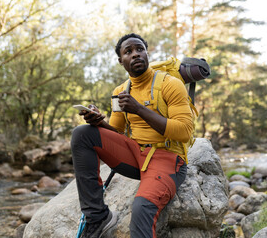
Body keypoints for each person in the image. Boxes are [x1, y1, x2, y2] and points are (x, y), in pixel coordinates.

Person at [71, 33, 194, 238]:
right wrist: (98, 122)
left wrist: (139, 109)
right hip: (136, 155)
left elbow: (184, 131)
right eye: (128, 52)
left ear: (147, 53)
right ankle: (97, 216)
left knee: (141, 209)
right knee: (82, 134)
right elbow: (117, 132)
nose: (135, 54)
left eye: (140, 49)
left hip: (168, 159)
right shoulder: (120, 91)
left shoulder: (170, 84)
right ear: (121, 61)